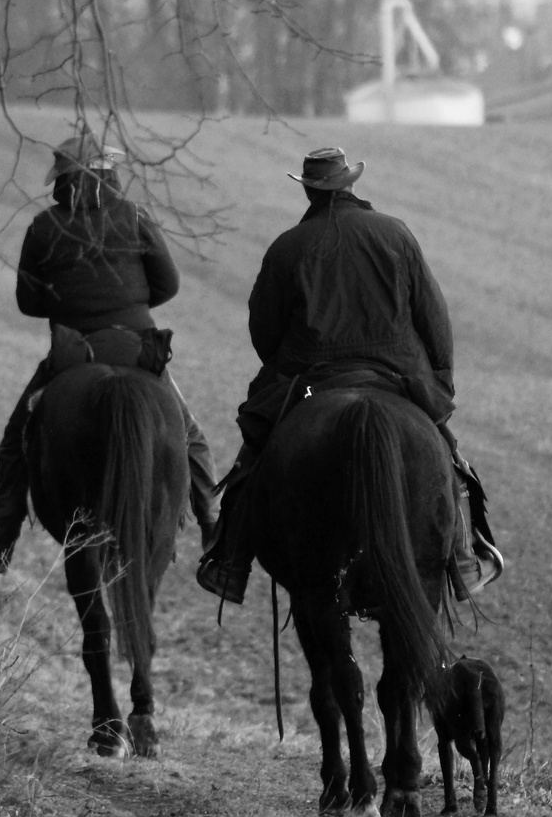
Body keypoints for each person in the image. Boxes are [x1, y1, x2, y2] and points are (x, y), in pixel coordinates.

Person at [194, 146, 503, 605]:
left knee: (255, 457)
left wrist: (286, 366)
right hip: (398, 373)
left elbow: (263, 330)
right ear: (350, 184)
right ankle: (462, 557)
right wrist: (437, 382)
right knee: (446, 455)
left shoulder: (287, 247)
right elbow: (434, 320)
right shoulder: (396, 234)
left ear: (309, 191)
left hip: (308, 376)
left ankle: (230, 562)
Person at [0, 131, 219, 572]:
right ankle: (214, 527)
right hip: (135, 345)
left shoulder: (44, 226)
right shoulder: (135, 216)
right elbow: (169, 285)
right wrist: (129, 307)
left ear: (62, 180)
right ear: (109, 172)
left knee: (16, 439)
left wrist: (72, 306)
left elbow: (28, 301)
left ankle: (2, 534)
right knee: (188, 433)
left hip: (73, 350)